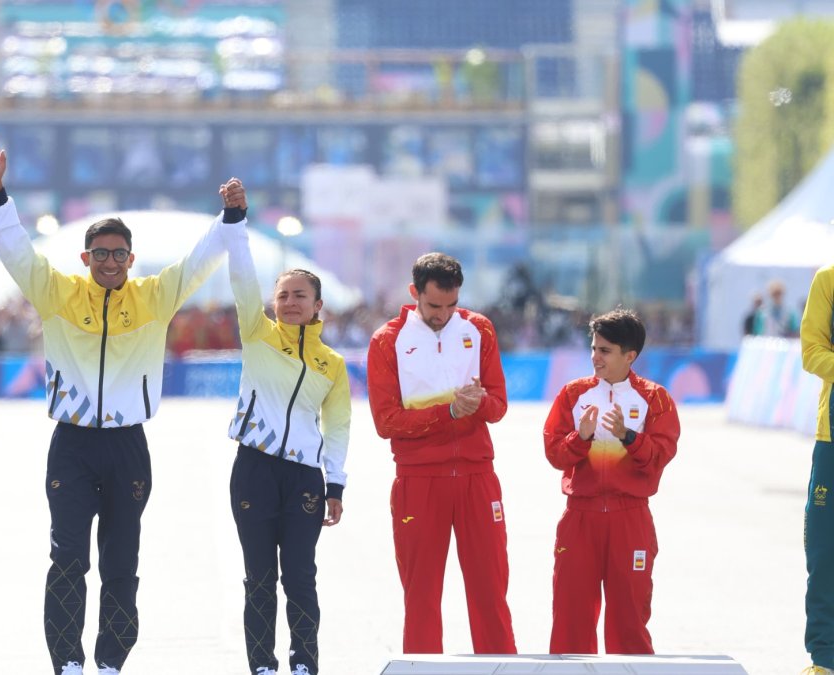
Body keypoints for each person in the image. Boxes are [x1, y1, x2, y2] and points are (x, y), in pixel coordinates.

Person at [0, 134, 231, 675]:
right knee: (68, 557)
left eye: (119, 253)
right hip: (70, 445)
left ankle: (111, 660)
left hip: (127, 446)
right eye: (101, 253)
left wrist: (230, 217)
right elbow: (16, 252)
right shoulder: (57, 293)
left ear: (131, 258)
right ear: (85, 257)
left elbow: (199, 262)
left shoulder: (154, 296)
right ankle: (68, 661)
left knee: (121, 561)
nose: (110, 261)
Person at [217, 178, 350, 675]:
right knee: (258, 578)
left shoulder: (331, 364)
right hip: (253, 468)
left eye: (300, 296)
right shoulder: (256, 332)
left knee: (300, 577)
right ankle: (262, 666)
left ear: (319, 306)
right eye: (283, 295)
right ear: (272, 302)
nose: (290, 302)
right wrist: (237, 219)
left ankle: (304, 665)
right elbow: (242, 275)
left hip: (303, 480)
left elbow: (337, 428)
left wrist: (335, 483)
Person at [366, 252, 516, 654]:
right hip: (419, 481)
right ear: (414, 292)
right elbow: (386, 422)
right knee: (421, 598)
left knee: (490, 593)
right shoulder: (387, 341)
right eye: (434, 305)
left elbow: (499, 406)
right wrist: (447, 411)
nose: (444, 315)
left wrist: (479, 403)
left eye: (451, 305)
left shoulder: (478, 328)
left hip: (477, 478)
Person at [542, 308, 681, 654]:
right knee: (570, 620)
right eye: (593, 348)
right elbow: (555, 454)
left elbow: (661, 456)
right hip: (580, 517)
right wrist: (581, 437)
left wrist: (628, 436)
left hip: (629, 517)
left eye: (605, 351)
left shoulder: (654, 398)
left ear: (629, 356)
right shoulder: (574, 395)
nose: (595, 357)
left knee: (629, 621)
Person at [801, 264, 834, 674]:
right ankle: (825, 658)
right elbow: (811, 350)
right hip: (833, 438)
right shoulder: (828, 280)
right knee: (825, 551)